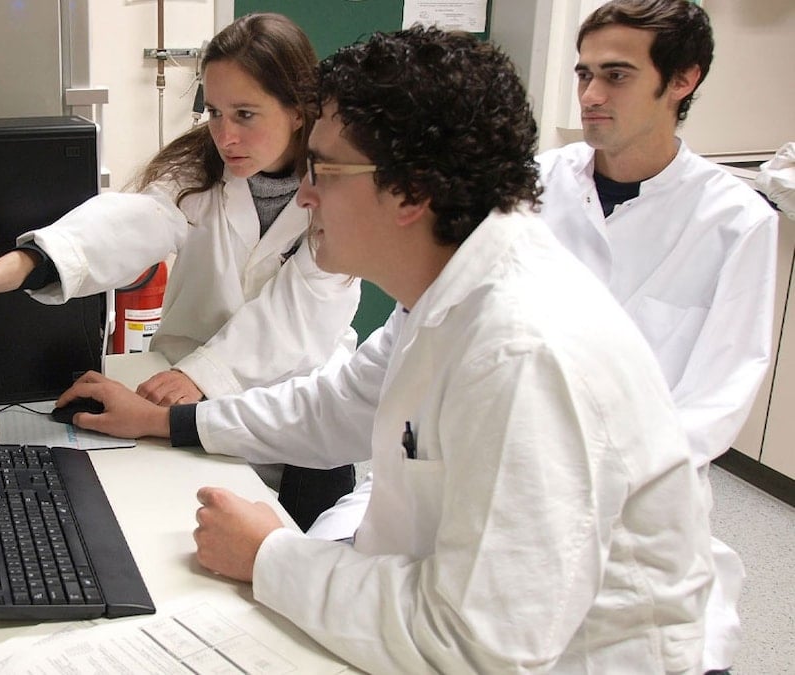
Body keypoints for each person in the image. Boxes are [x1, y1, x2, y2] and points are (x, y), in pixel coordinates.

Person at [57, 25, 714, 672]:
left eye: (325, 170)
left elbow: (479, 643)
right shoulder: (451, 289)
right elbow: (338, 405)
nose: (305, 193)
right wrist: (168, 421)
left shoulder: (521, 352)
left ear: (413, 191)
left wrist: (270, 555)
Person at [307, 3, 777, 670]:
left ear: (683, 80)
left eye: (616, 76)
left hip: (613, 520)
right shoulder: (537, 182)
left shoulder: (734, 220)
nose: (591, 95)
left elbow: (716, 399)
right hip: (476, 470)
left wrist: (578, 455)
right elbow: (412, 344)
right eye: (583, 74)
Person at [0, 13, 361, 526]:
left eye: (245, 114)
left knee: (293, 551)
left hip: (295, 420)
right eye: (215, 112)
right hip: (183, 402)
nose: (225, 135)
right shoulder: (200, 172)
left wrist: (200, 374)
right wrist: (3, 272)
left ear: (297, 110)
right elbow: (130, 224)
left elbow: (296, 315)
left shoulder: (336, 193)